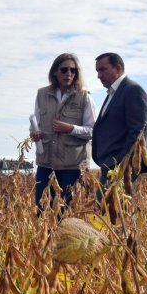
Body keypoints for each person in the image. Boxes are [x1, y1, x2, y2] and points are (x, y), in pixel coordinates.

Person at [30, 53, 94, 209]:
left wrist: (70, 129)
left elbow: (93, 131)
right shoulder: (42, 95)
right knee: (42, 211)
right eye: (64, 70)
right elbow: (35, 124)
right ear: (55, 72)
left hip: (72, 167)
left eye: (73, 70)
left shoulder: (84, 97)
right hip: (46, 164)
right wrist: (34, 133)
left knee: (68, 214)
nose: (69, 74)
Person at [92, 52, 147, 182]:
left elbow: (138, 132)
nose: (99, 76)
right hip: (111, 167)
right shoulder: (114, 92)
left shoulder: (133, 90)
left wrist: (120, 162)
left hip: (123, 169)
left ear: (118, 69)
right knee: (102, 202)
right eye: (97, 71)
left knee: (105, 202)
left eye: (103, 70)